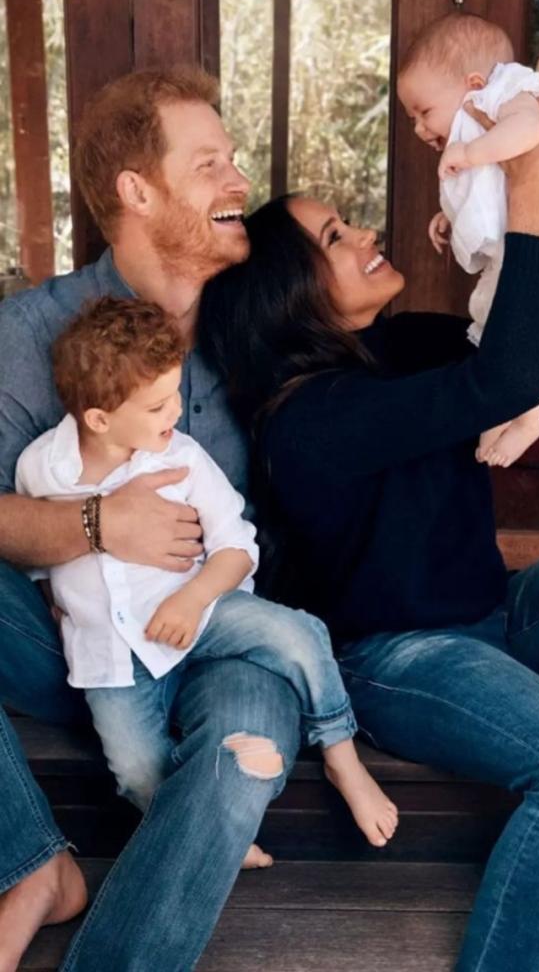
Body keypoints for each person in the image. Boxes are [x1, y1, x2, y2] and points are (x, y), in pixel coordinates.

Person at [199, 83, 539, 972]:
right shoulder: (308, 419)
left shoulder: (397, 349)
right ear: (292, 295)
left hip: (498, 624)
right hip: (402, 664)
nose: (365, 233)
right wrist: (521, 186)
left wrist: (510, 243)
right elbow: (501, 386)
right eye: (336, 237)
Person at [0, 65, 327, 972]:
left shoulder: (252, 322)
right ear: (137, 192)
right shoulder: (29, 338)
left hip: (225, 637)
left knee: (239, 759)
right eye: (210, 163)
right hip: (84, 651)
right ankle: (30, 863)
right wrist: (100, 527)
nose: (238, 183)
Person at [15, 294, 397, 847]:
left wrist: (192, 599)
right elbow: (37, 550)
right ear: (99, 418)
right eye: (156, 406)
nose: (175, 412)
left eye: (175, 394)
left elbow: (238, 547)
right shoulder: (41, 468)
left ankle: (342, 755)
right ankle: (200, 830)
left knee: (299, 635)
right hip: (112, 656)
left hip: (204, 607)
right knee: (134, 767)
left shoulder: (183, 458)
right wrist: (54, 595)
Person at [397, 13, 539, 468]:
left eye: (424, 112)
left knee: (527, 329)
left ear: (475, 83)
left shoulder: (509, 94)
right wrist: (450, 216)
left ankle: (527, 417)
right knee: (494, 326)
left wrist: (469, 152)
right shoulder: (477, 128)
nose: (420, 129)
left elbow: (530, 132)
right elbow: (490, 194)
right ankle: (504, 409)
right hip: (517, 249)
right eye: (412, 119)